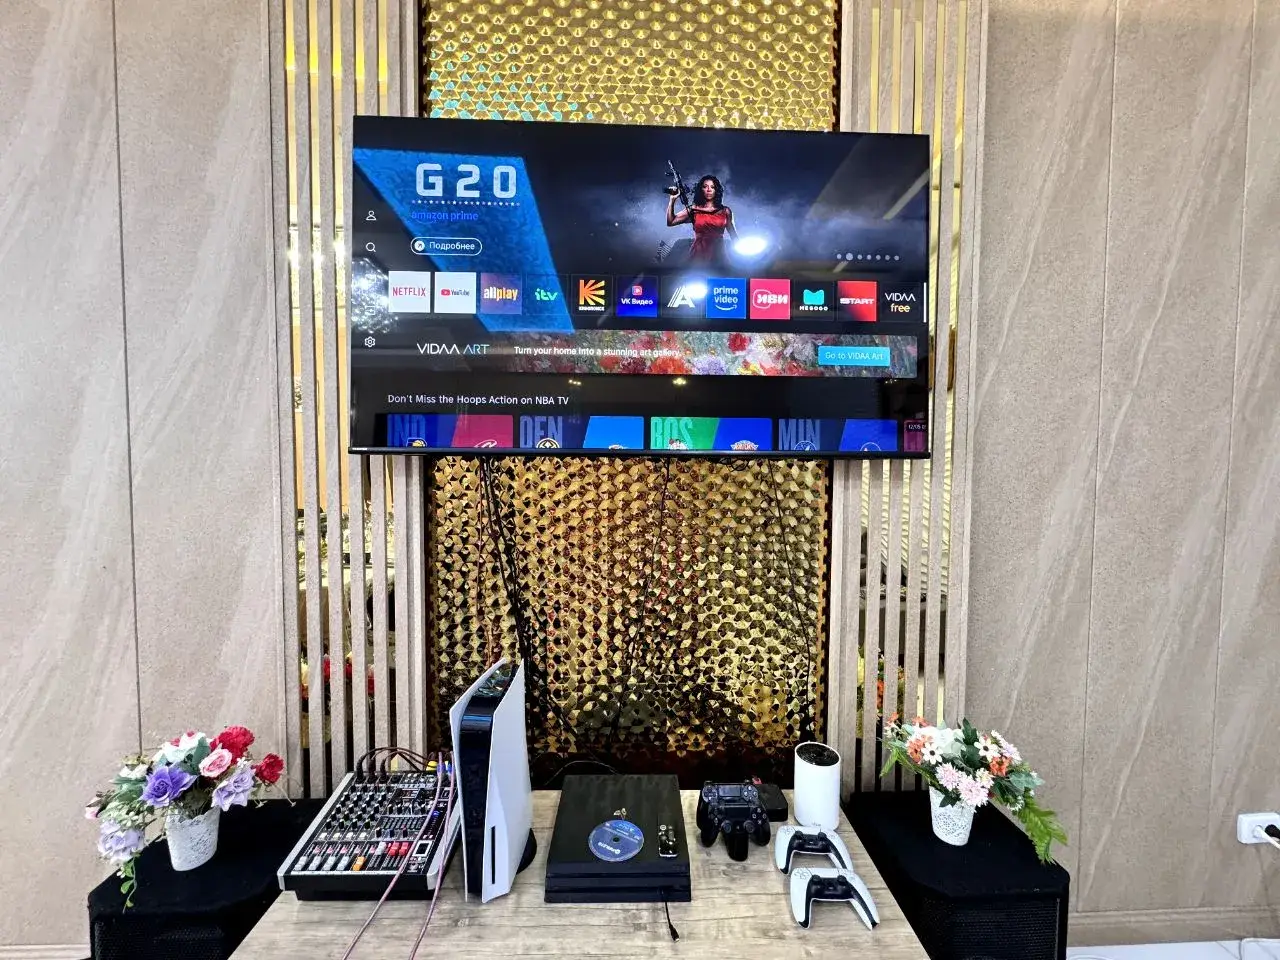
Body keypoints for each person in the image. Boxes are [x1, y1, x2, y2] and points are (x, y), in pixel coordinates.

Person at [666, 174, 738, 265]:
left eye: (712, 187)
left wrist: (740, 257)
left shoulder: (726, 211)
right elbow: (671, 221)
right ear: (701, 189)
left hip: (719, 254)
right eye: (705, 187)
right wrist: (672, 199)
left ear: (716, 190)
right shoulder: (693, 209)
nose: (708, 190)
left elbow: (733, 235)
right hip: (698, 253)